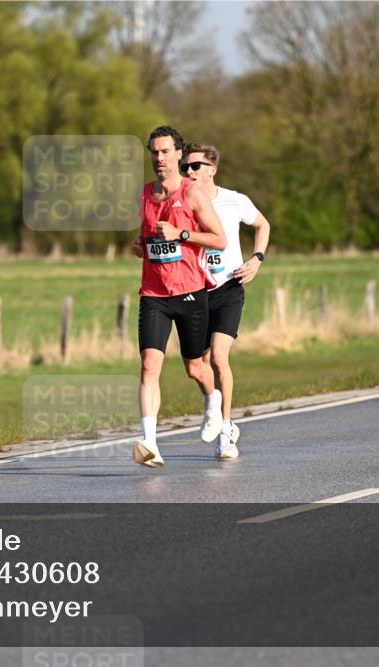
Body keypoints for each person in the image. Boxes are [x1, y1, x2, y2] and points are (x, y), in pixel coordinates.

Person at [129, 127, 228, 468]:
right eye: (154, 152)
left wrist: (182, 233)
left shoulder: (192, 194)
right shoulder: (143, 195)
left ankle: (212, 400)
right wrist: (140, 245)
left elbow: (220, 239)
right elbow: (146, 238)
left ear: (178, 154)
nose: (159, 158)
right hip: (154, 293)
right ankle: (150, 444)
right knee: (148, 366)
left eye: (165, 152)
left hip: (190, 293)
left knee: (195, 367)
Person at [181, 143, 271, 459]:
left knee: (219, 357)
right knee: (197, 367)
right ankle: (214, 407)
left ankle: (227, 430)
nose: (188, 172)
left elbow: (263, 224)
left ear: (212, 168)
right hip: (194, 291)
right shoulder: (181, 203)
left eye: (195, 166)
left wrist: (257, 259)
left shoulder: (235, 200)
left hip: (229, 288)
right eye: (185, 167)